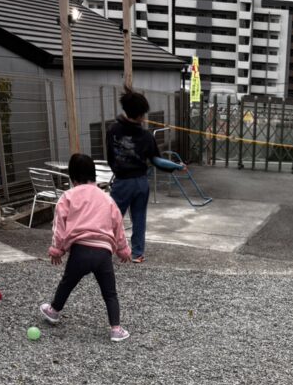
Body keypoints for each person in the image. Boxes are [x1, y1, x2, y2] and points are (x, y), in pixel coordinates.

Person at [39, 153, 132, 343]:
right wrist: (123, 249)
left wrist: (57, 249)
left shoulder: (68, 197)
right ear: (94, 175)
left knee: (67, 283)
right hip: (103, 253)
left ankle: (54, 311)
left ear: (72, 178)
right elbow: (118, 225)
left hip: (80, 251)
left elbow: (59, 226)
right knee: (110, 293)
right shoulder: (106, 198)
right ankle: (116, 329)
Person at [106, 90, 186, 264]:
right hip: (141, 182)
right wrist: (176, 166)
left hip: (122, 182)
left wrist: (118, 170)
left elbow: (110, 157)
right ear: (141, 114)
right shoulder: (146, 135)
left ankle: (106, 249)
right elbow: (156, 160)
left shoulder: (112, 130)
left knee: (112, 218)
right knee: (139, 218)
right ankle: (137, 254)